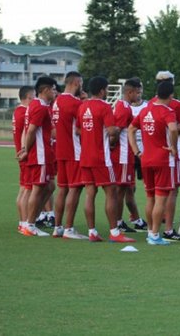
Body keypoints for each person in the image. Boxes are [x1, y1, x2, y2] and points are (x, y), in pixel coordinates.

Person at [77, 76, 135, 243]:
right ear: (102, 90)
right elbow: (111, 131)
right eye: (107, 89)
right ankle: (115, 232)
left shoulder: (82, 107)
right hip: (101, 158)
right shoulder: (104, 107)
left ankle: (92, 231)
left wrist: (91, 133)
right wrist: (118, 129)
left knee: (90, 194)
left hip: (85, 156)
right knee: (112, 192)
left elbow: (78, 130)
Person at [128, 80, 179, 246]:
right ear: (171, 95)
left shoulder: (145, 110)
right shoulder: (167, 111)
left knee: (150, 197)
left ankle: (151, 231)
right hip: (162, 159)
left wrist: (137, 151)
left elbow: (131, 129)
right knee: (160, 199)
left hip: (146, 159)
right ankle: (155, 234)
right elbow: (173, 128)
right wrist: (172, 146)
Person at [149, 71, 180, 241]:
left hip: (150, 152)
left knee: (152, 193)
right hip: (170, 153)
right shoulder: (175, 104)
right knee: (172, 191)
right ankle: (168, 229)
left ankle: (152, 229)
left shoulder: (149, 104)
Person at [17, 76, 58, 237]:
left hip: (41, 153)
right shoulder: (40, 107)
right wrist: (26, 149)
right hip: (40, 154)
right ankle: (30, 224)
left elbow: (27, 130)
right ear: (46, 90)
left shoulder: (35, 105)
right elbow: (32, 130)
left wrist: (24, 148)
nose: (55, 92)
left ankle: (30, 221)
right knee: (37, 188)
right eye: (54, 89)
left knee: (49, 186)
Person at [50, 71, 88, 239]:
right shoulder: (75, 103)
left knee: (62, 189)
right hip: (74, 151)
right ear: (76, 82)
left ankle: (57, 227)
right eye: (81, 83)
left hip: (61, 150)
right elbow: (84, 126)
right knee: (75, 188)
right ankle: (69, 228)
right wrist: (86, 101)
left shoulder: (57, 101)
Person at [112, 78, 145, 233]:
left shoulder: (124, 107)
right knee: (120, 190)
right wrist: (112, 144)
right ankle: (118, 222)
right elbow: (116, 132)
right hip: (123, 156)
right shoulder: (124, 108)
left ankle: (130, 220)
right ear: (130, 92)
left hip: (126, 155)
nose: (139, 96)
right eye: (137, 93)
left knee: (127, 189)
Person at [13, 85, 35, 235]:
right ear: (27, 98)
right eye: (33, 98)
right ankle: (25, 223)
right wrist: (25, 150)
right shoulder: (24, 113)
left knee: (23, 190)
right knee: (27, 190)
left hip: (21, 154)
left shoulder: (17, 111)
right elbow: (26, 134)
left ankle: (22, 223)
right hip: (25, 155)